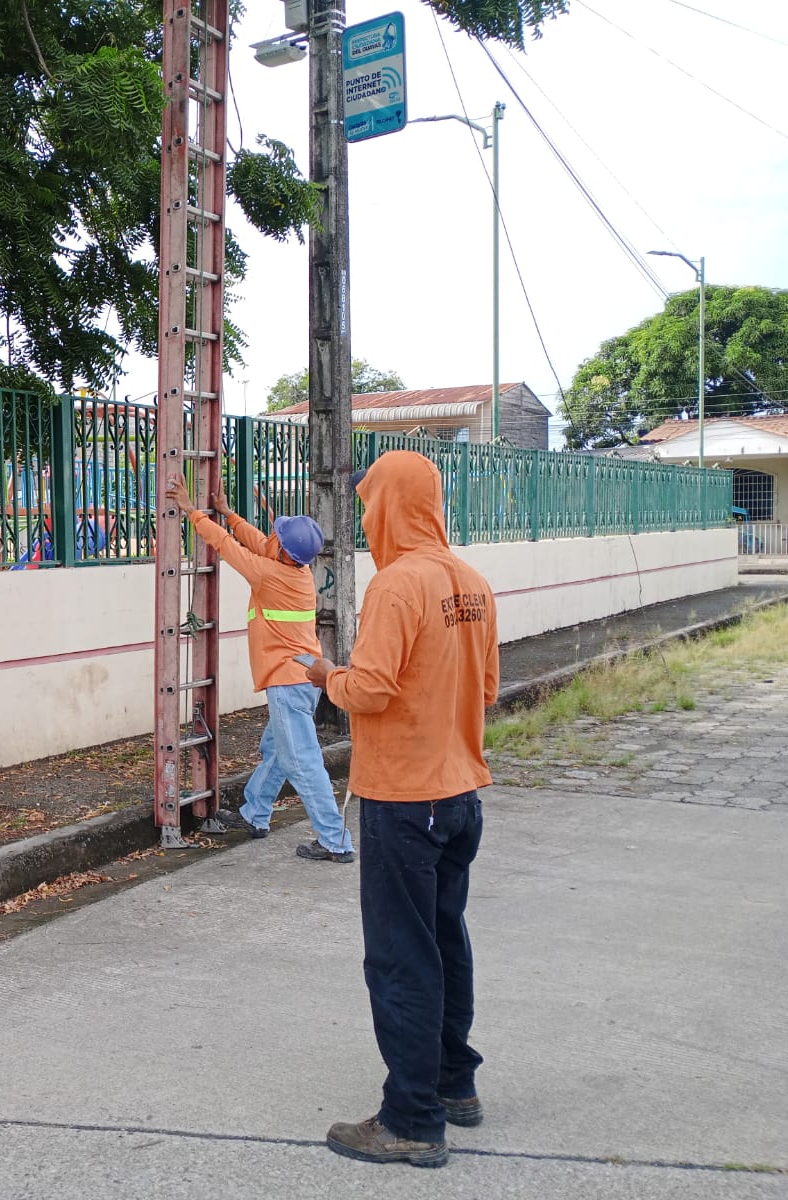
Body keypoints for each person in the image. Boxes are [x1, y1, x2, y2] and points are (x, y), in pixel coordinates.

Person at [303, 450, 499, 1169]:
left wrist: (326, 675)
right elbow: (486, 689)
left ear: (389, 505)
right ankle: (453, 1084)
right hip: (459, 794)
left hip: (404, 799)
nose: (364, 518)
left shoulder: (395, 585)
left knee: (399, 959)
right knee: (444, 942)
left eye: (367, 504)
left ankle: (411, 1119)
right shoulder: (471, 582)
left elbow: (371, 689)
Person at [165, 476, 355, 863]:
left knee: (301, 761)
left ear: (284, 550)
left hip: (287, 682)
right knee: (277, 751)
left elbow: (227, 547)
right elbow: (256, 542)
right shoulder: (297, 569)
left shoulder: (269, 575)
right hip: (301, 678)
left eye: (278, 537)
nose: (272, 538)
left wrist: (190, 510)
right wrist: (228, 512)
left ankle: (335, 840)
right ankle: (255, 814)